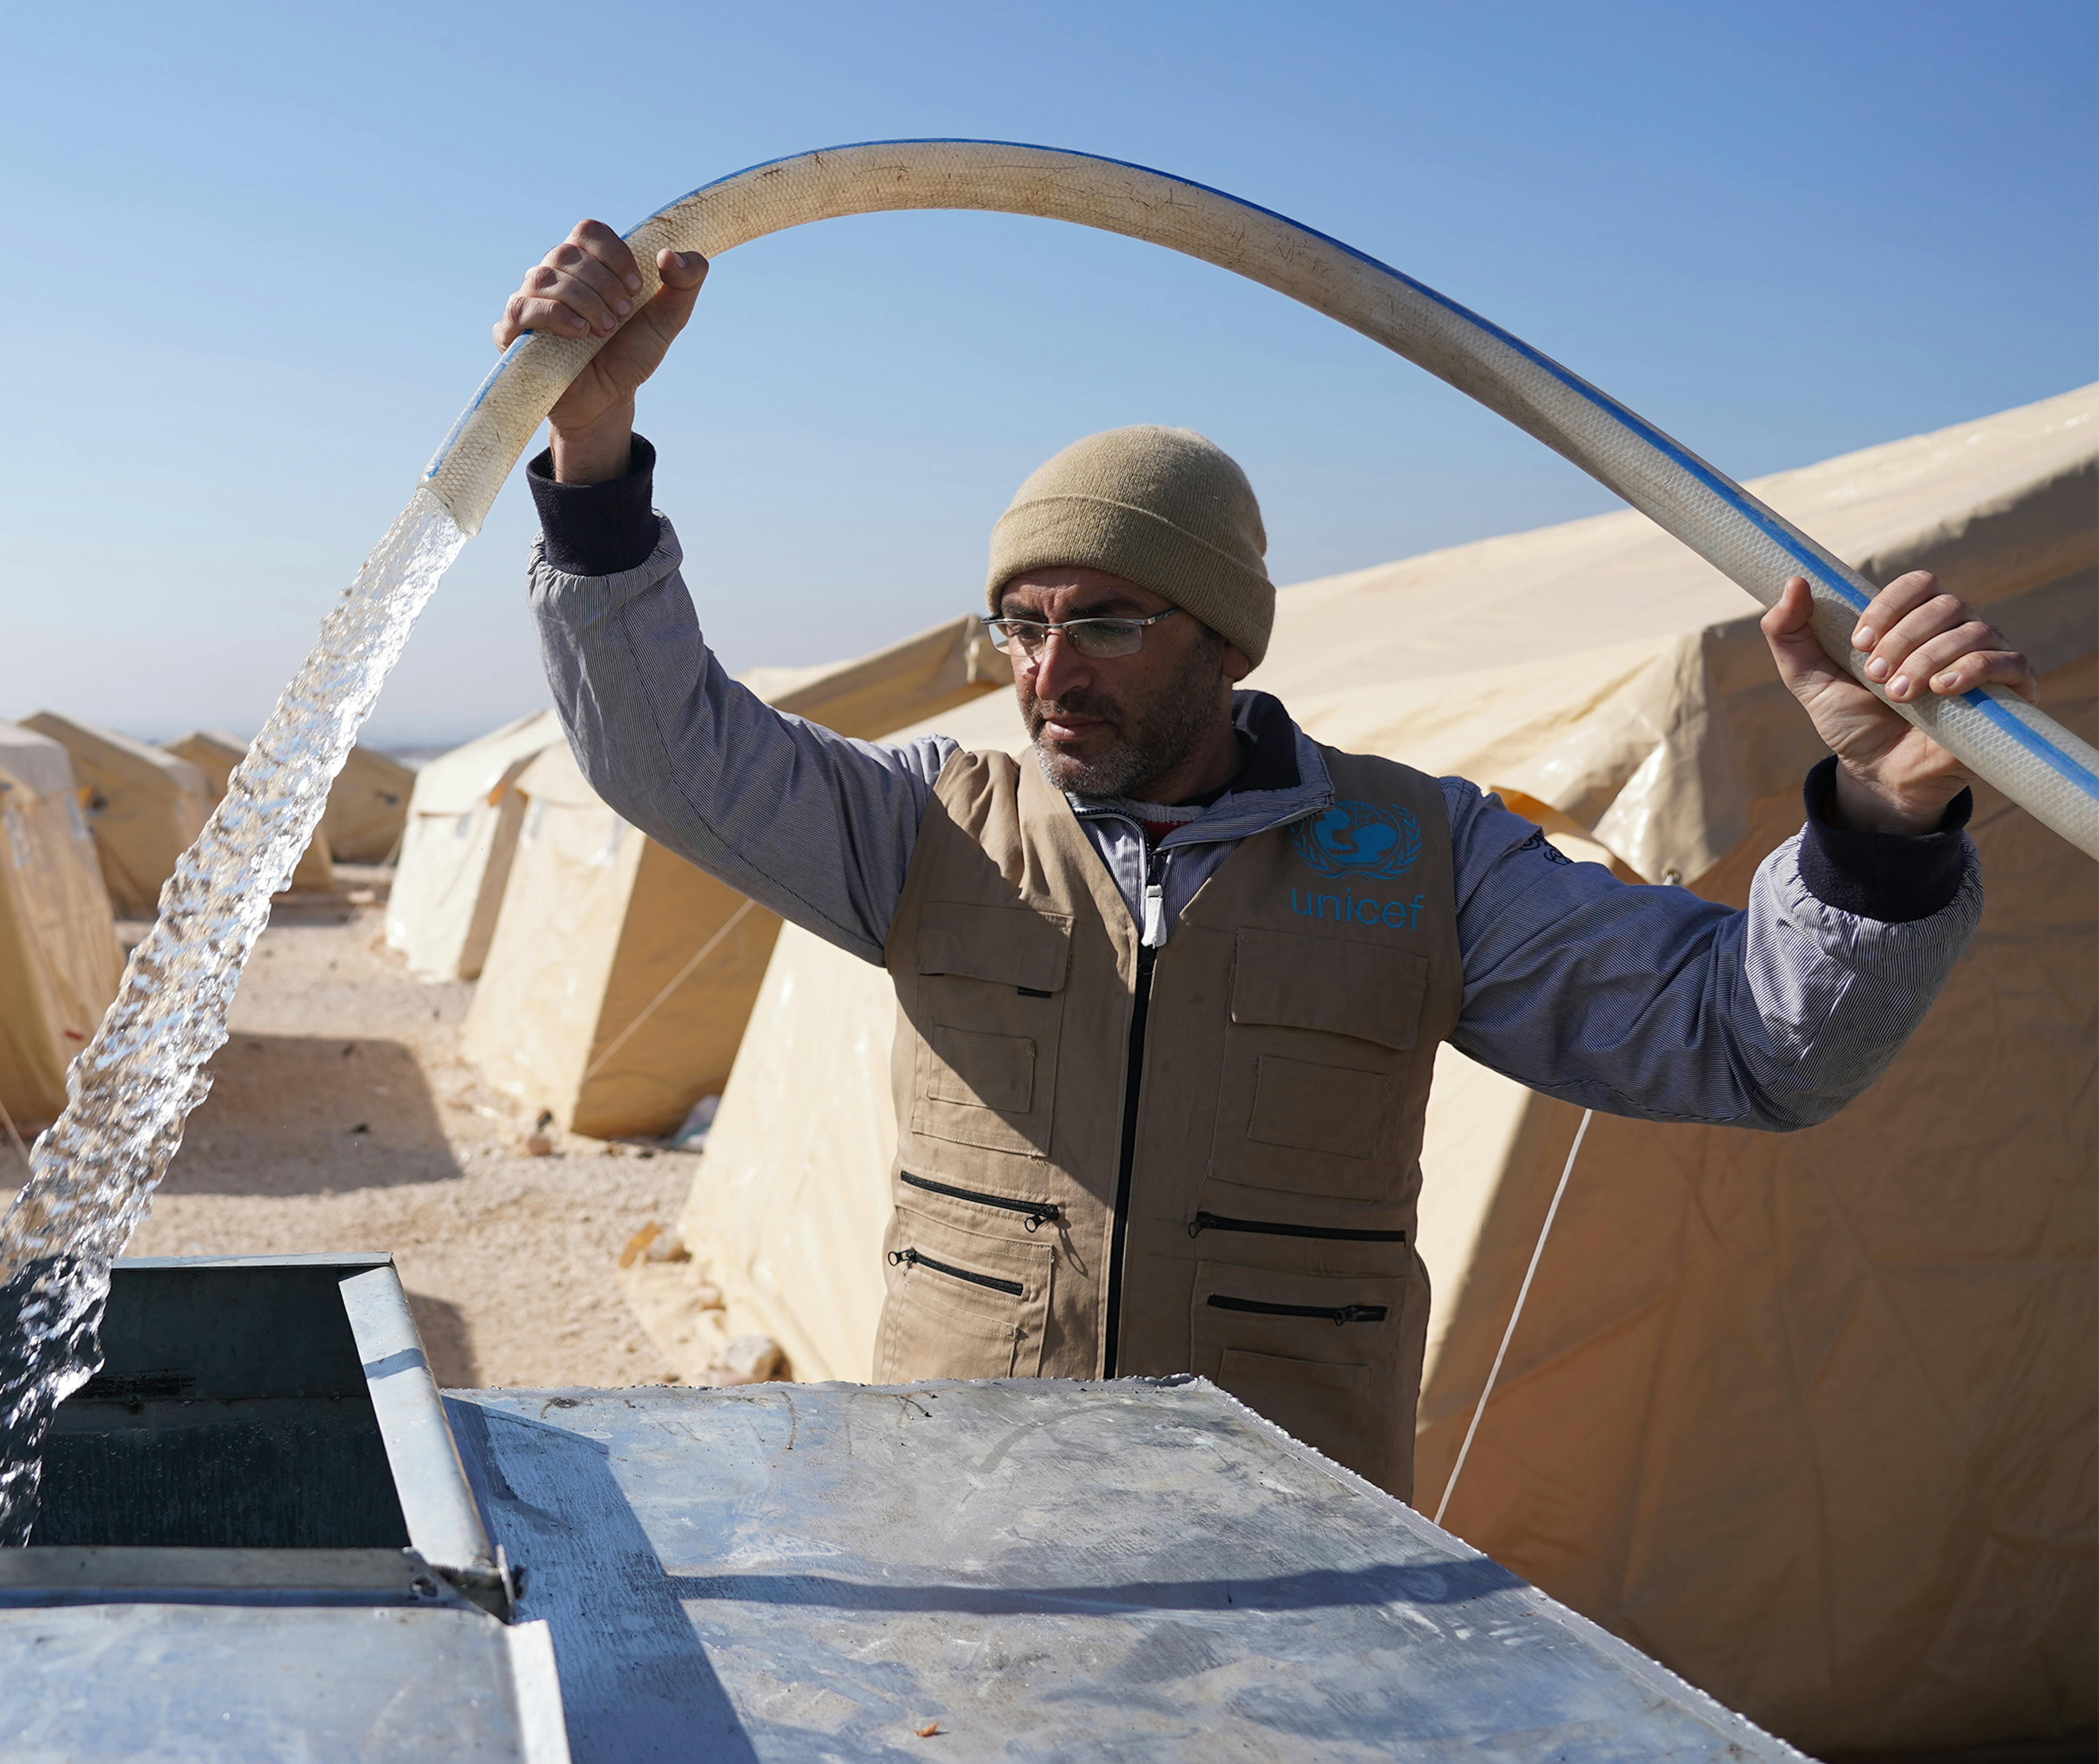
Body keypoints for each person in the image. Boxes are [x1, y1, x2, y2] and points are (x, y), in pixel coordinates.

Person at [493, 220, 2033, 1498]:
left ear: (1222, 638)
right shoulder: (928, 827)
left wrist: (1885, 825)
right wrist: (589, 440)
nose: (1046, 672)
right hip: (961, 1506)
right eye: (1019, 625)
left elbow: (1750, 1046)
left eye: (1104, 619)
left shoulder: (1423, 856)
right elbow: (663, 751)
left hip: (1286, 1534)